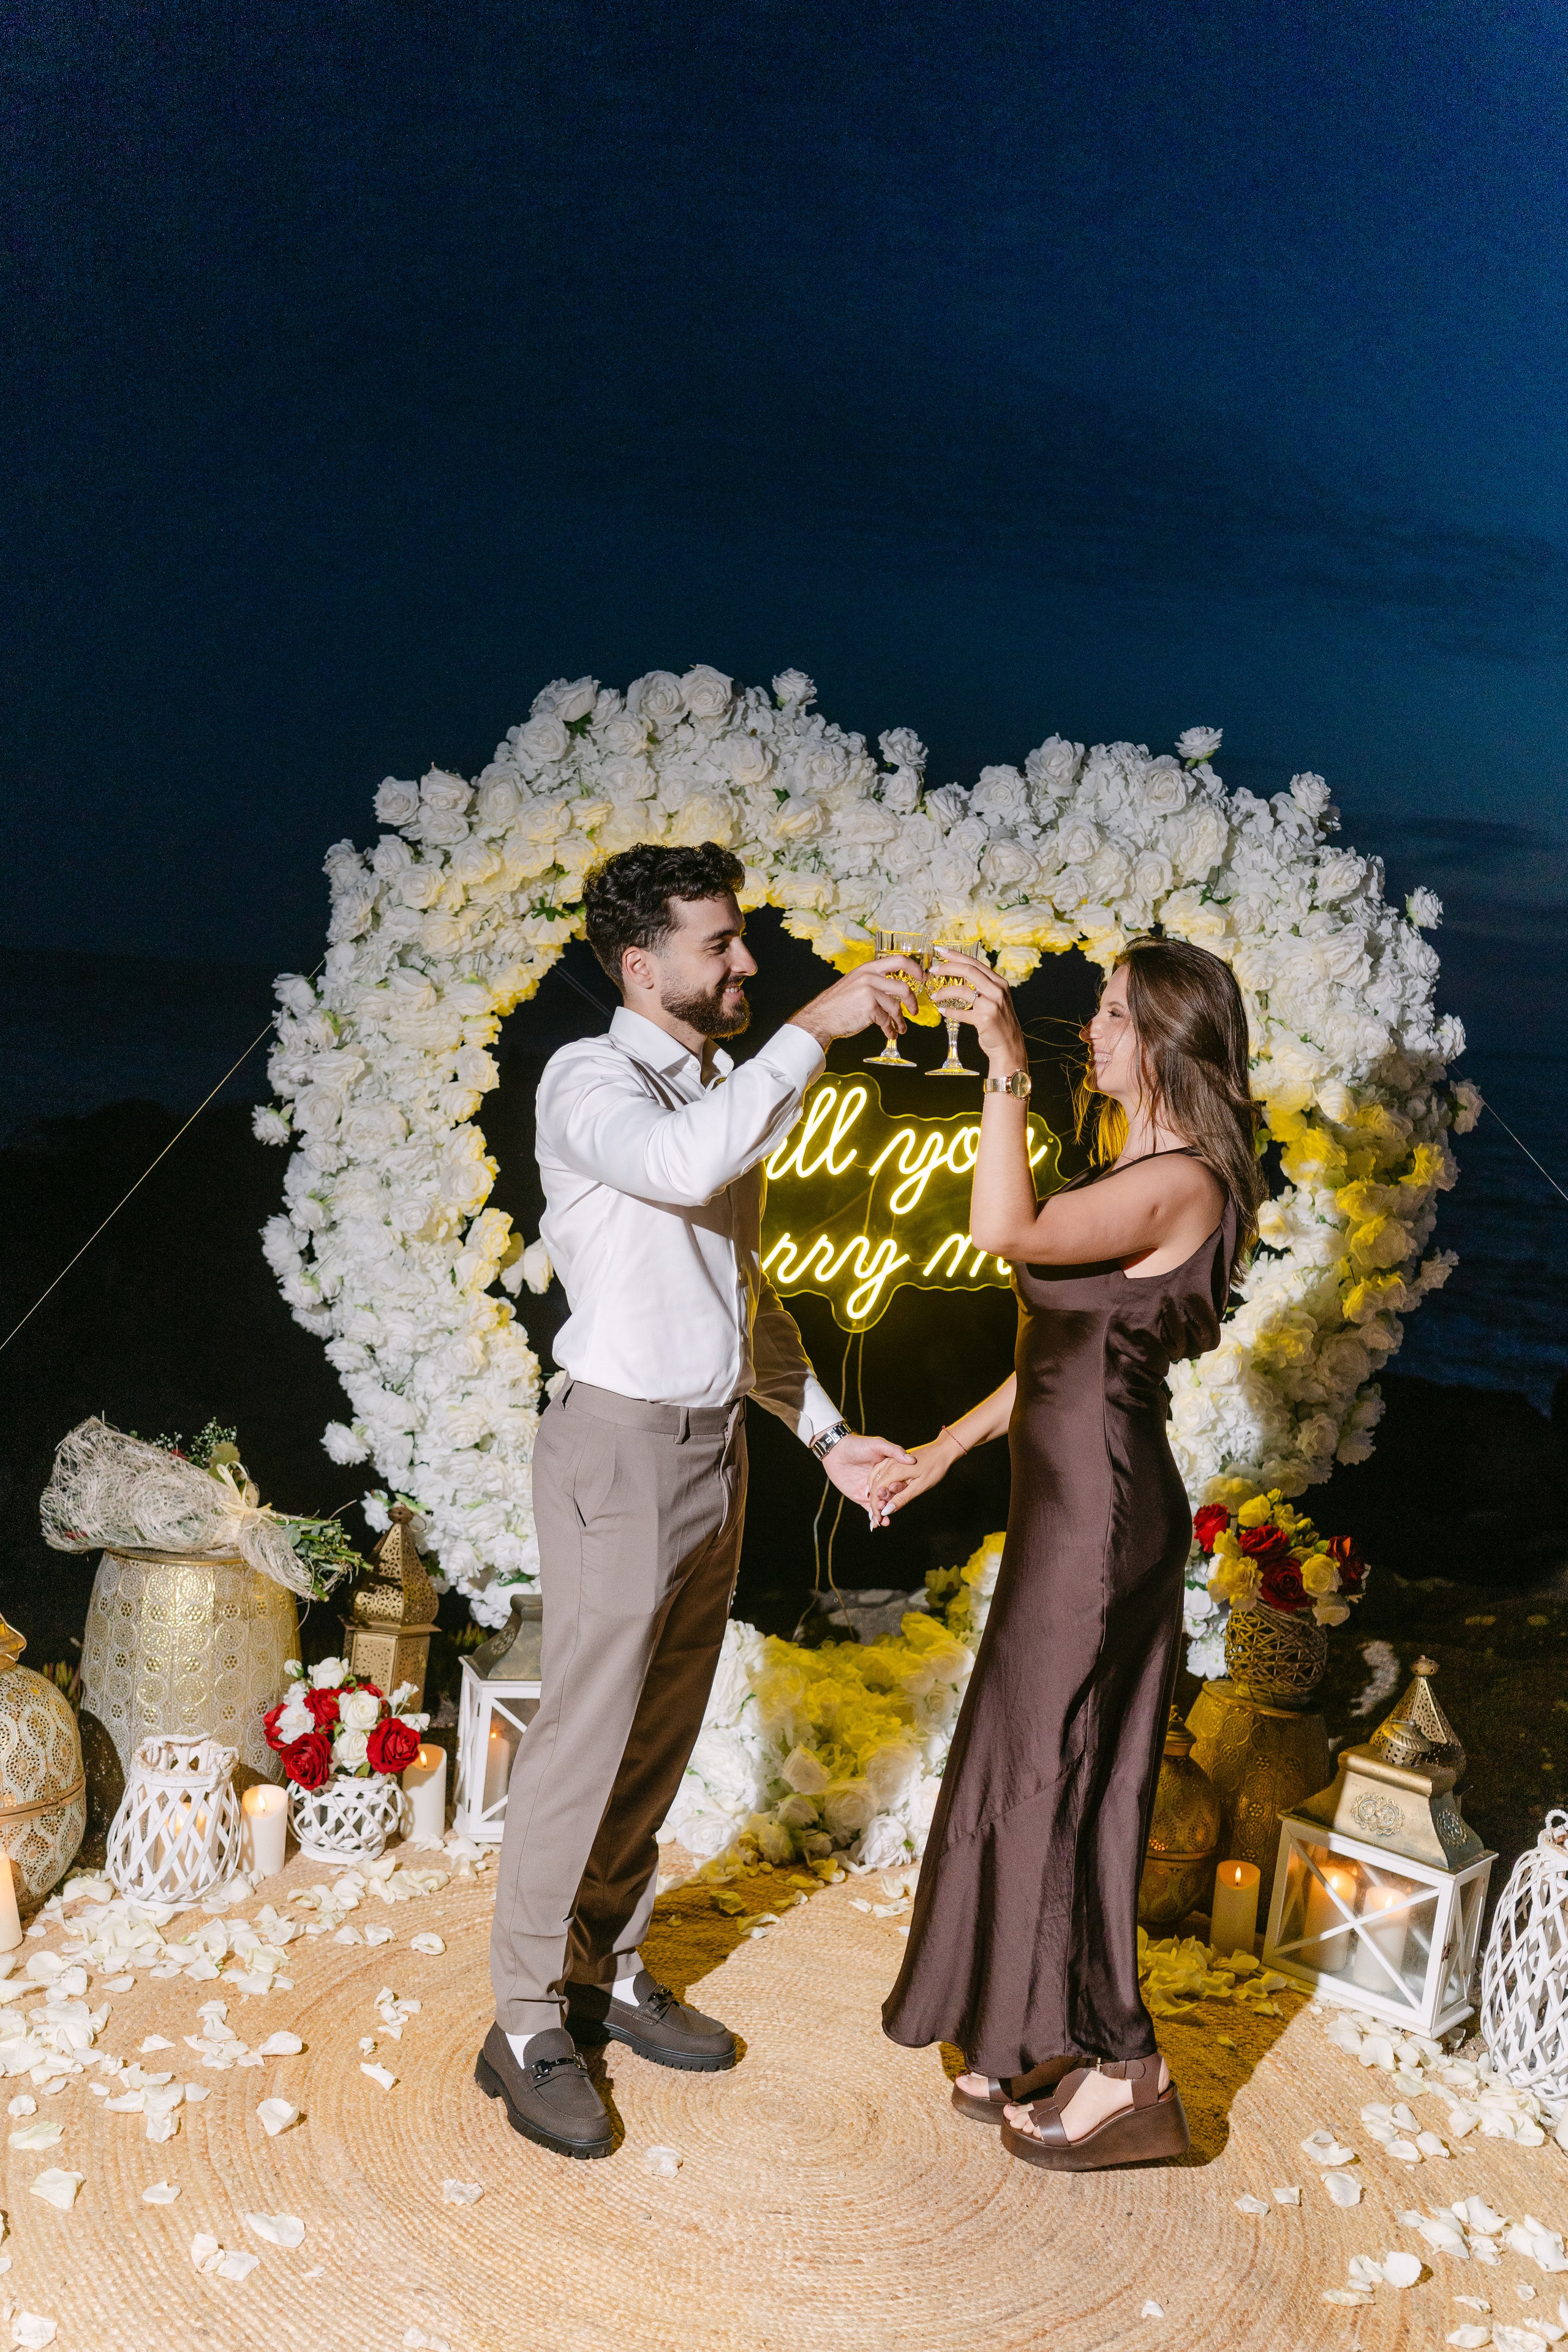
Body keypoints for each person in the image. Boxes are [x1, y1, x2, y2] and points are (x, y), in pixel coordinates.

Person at [477, 841, 919, 2158]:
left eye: (742, 939)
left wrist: (825, 1435)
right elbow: (678, 1168)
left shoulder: (722, 1091)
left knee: (659, 1735)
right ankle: (520, 2023)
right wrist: (813, 1029)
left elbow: (741, 1296)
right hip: (615, 1451)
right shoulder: (589, 1080)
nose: (744, 960)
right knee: (584, 1738)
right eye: (717, 943)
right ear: (640, 966)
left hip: (714, 1452)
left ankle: (603, 1972)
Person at [870, 935, 1263, 2171]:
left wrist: (1002, 1064)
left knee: (1063, 1773)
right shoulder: (1131, 1168)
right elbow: (1061, 1353)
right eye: (1094, 1010)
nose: (1087, 1030)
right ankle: (1018, 2033)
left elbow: (1006, 1229)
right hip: (1068, 1510)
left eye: (1112, 1013)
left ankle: (1128, 2071)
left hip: (1100, 1519)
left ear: (1167, 1040)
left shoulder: (1181, 1179)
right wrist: (943, 1448)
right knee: (1027, 1760)